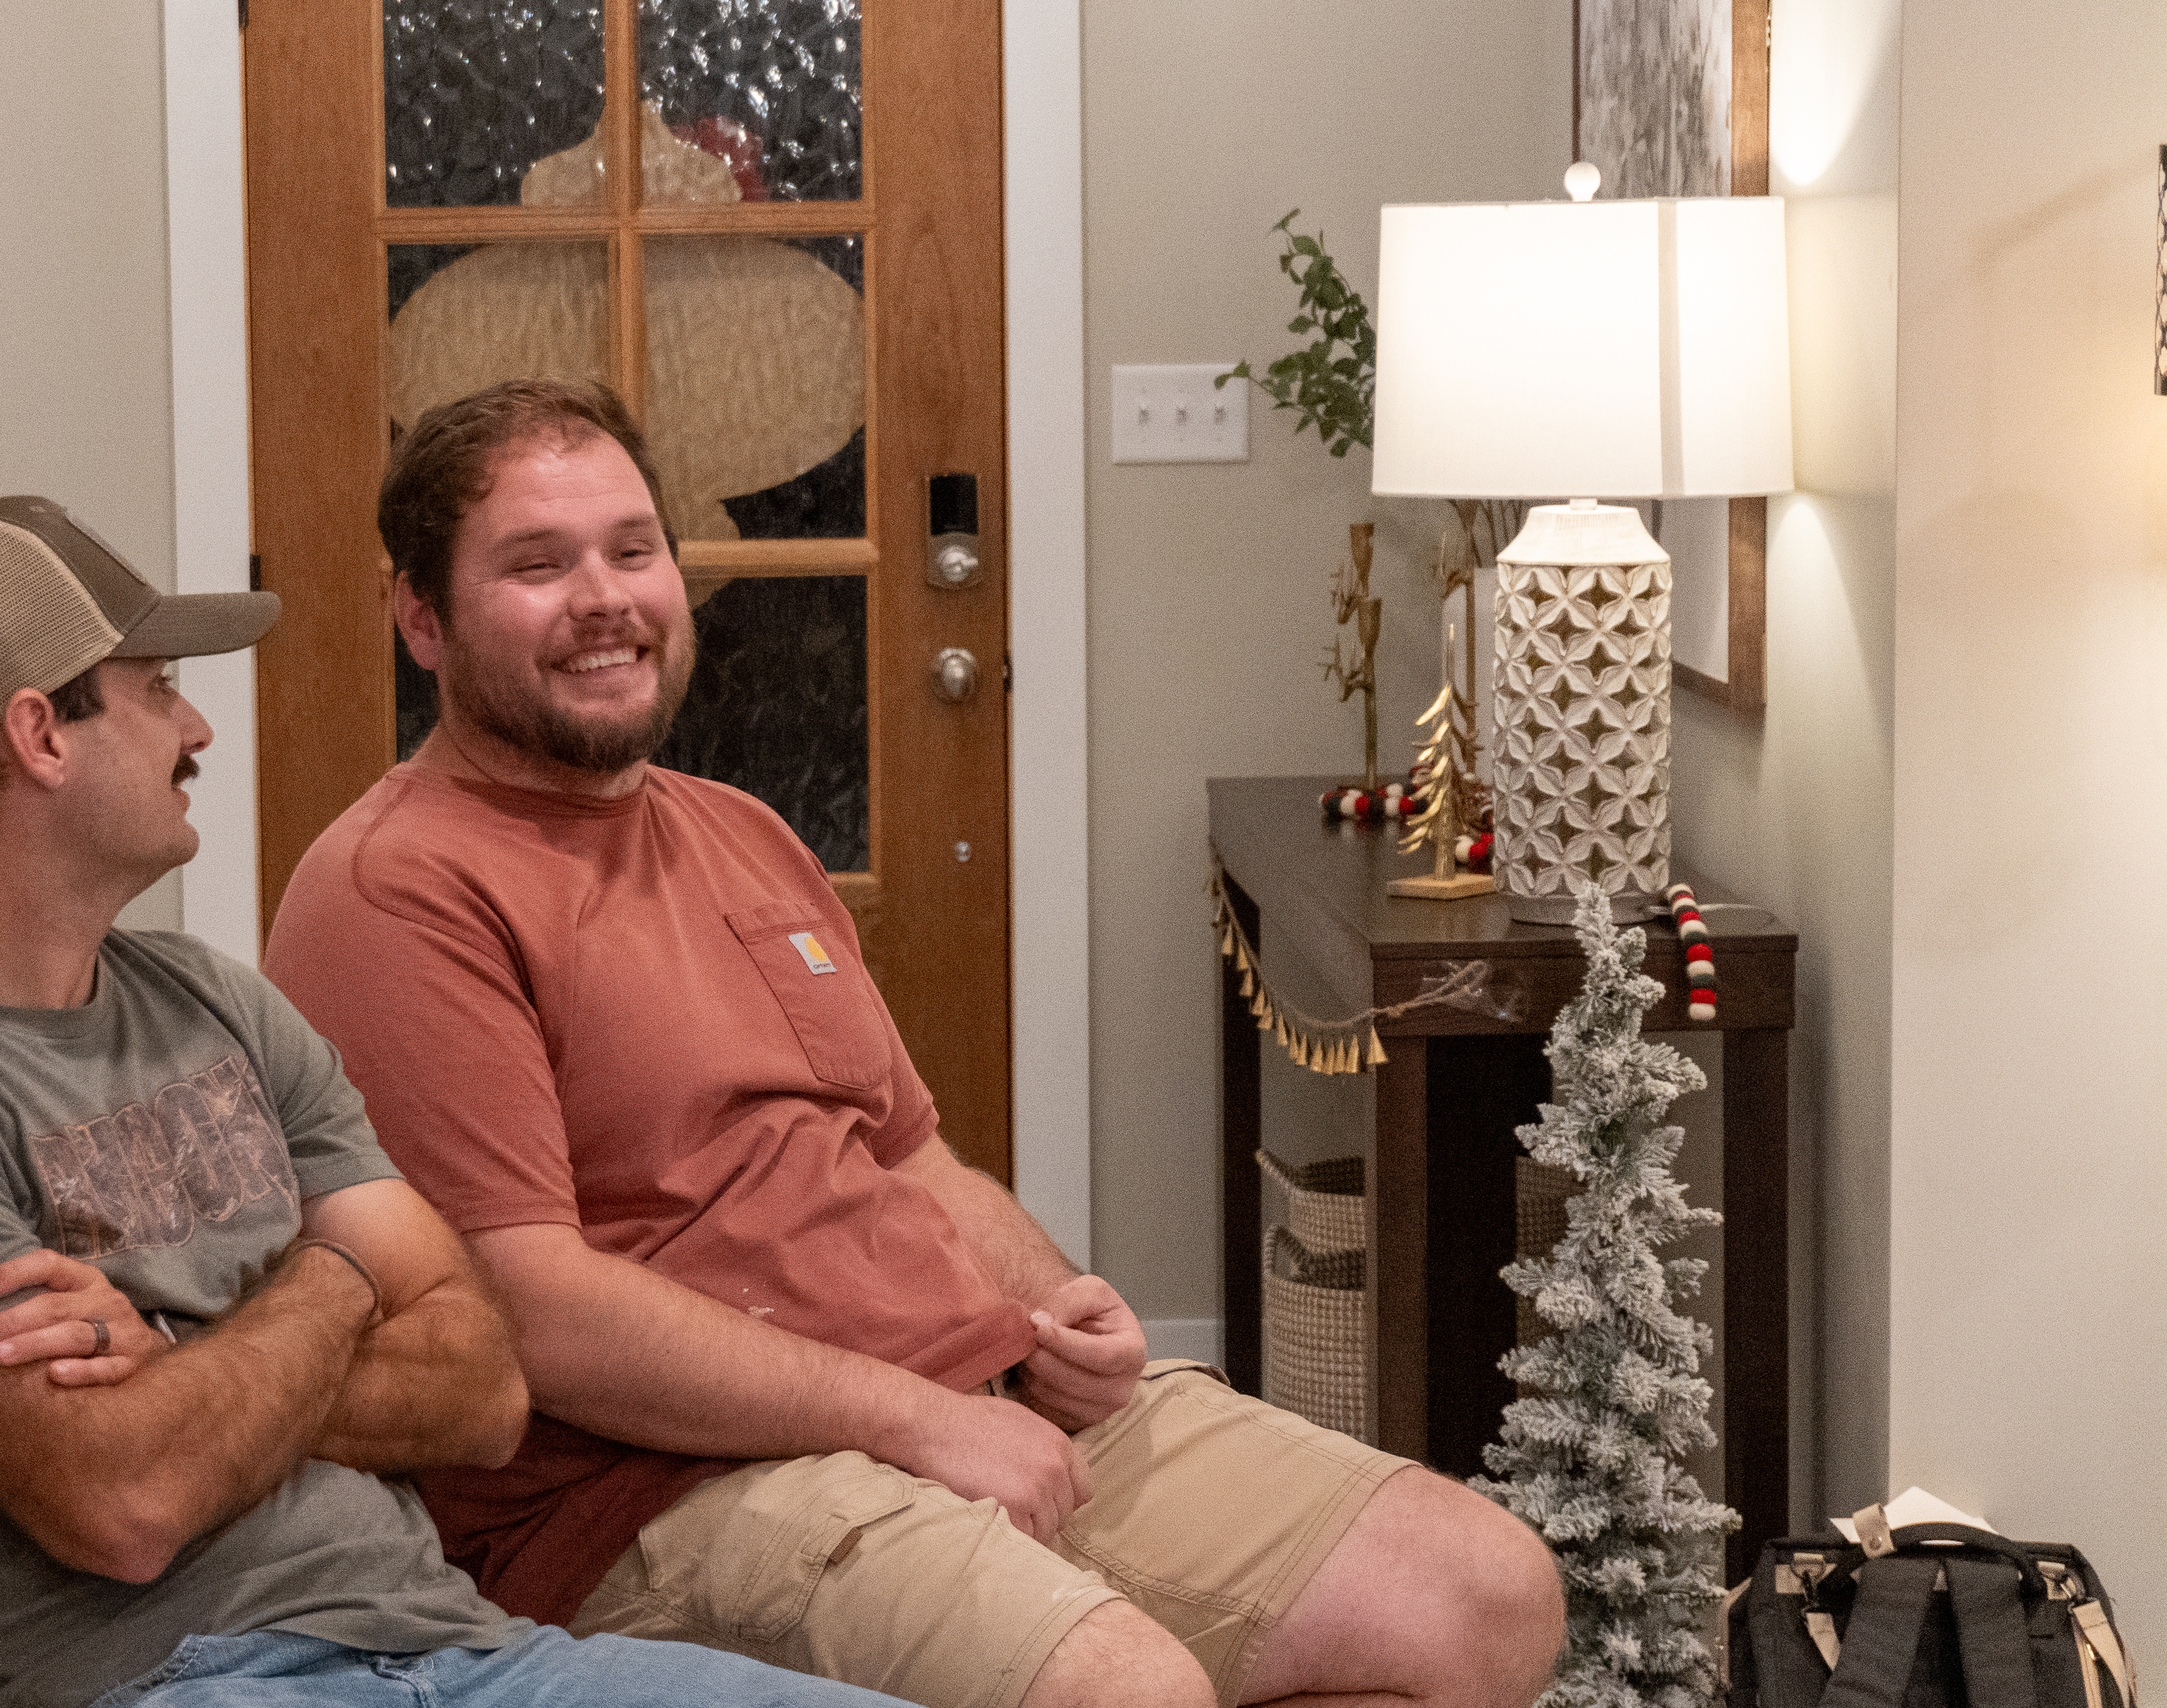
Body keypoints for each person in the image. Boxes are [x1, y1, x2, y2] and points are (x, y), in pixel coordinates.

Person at [264, 382, 1569, 1708]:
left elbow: (915, 1159)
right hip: (665, 1495)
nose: (605, 597)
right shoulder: (396, 890)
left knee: (1482, 1594)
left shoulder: (740, 833)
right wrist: (920, 1421)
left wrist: (1058, 1305)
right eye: (537, 566)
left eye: (632, 548)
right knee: (1126, 1690)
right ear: (419, 618)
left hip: (966, 1392)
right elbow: (525, 1308)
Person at [0, 496, 914, 1708]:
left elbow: (484, 1388)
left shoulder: (215, 1006)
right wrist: (342, 1279)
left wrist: (180, 1370)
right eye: (155, 690)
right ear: (40, 733)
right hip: (165, 1684)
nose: (194, 727)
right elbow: (127, 1502)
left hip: (468, 1653)